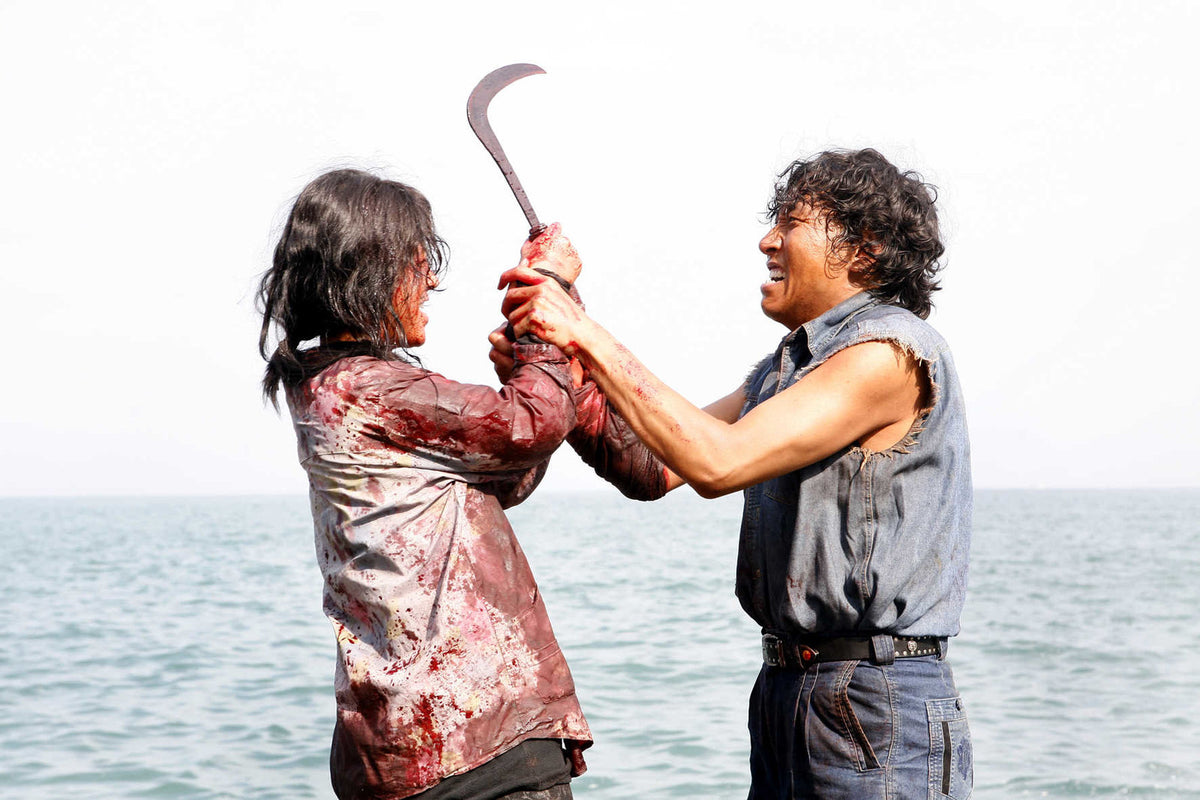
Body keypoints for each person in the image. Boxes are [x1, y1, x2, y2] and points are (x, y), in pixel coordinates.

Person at [492, 149, 973, 799]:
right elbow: (656, 467)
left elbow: (719, 462)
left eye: (791, 223)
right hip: (791, 693)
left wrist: (581, 332)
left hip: (876, 704)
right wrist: (563, 377)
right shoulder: (787, 369)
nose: (767, 241)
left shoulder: (889, 354)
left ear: (865, 250)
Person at [257, 169, 591, 800]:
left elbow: (509, 470)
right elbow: (534, 424)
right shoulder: (370, 388)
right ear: (369, 271)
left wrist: (535, 367)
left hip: (405, 752)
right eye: (418, 263)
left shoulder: (328, 386)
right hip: (471, 743)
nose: (430, 280)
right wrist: (550, 300)